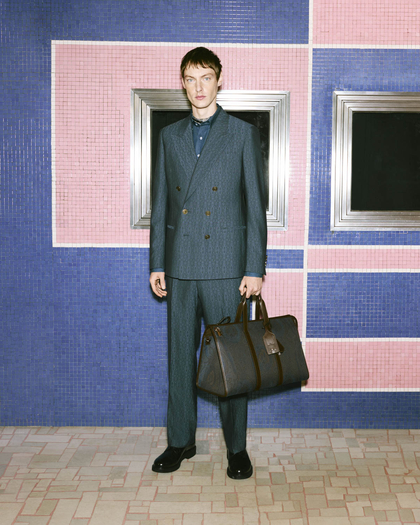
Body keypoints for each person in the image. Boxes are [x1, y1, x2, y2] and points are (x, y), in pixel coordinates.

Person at [149, 47, 267, 479]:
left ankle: (237, 448)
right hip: (180, 267)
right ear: (182, 83)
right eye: (190, 78)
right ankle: (181, 441)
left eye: (206, 77)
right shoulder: (170, 135)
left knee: (230, 362)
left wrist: (255, 267)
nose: (198, 87)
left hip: (225, 268)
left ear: (220, 80)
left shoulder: (240, 133)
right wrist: (157, 262)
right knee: (179, 358)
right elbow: (161, 204)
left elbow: (255, 206)